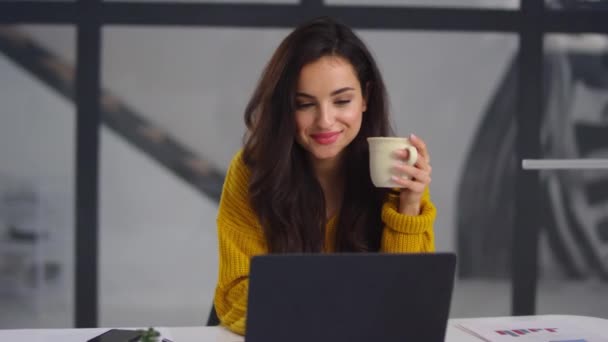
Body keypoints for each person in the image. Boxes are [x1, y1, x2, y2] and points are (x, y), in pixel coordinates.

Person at [213, 16, 436, 335]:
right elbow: (236, 297)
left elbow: (405, 305)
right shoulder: (253, 172)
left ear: (366, 98)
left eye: (342, 101)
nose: (325, 121)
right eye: (304, 104)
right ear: (284, 107)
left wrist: (409, 207)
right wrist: (335, 318)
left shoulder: (398, 171)